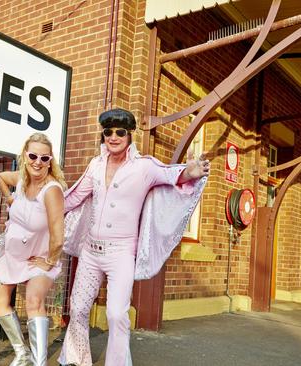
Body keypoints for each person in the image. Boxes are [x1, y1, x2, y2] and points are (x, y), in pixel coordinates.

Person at [58, 108, 210, 366]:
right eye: (108, 132)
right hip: (90, 252)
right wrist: (44, 205)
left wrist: (191, 171)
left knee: (117, 314)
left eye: (120, 132)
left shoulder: (144, 167)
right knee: (78, 308)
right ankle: (75, 358)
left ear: (129, 135)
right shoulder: (96, 165)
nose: (113, 137)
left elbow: (173, 175)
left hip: (121, 253)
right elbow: (73, 198)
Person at [0, 132, 66, 366]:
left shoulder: (51, 190)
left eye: (44, 158)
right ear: (24, 155)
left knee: (33, 300)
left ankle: (39, 363)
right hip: (12, 255)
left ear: (50, 160)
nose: (38, 162)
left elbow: (58, 236)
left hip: (38, 257)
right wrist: (10, 199)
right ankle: (22, 354)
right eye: (33, 156)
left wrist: (50, 261)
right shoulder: (21, 180)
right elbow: (0, 177)